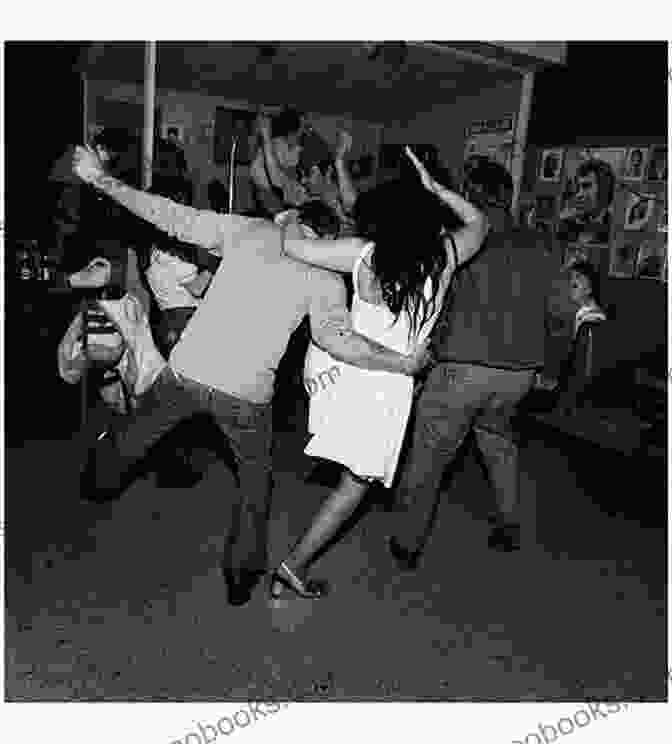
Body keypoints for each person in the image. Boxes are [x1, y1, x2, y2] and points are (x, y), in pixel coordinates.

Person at [72, 144, 433, 607]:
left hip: (187, 371)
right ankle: (241, 579)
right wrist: (401, 363)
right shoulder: (325, 277)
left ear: (293, 218)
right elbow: (338, 341)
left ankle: (98, 478)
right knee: (253, 487)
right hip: (246, 396)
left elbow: (169, 215)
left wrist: (101, 178)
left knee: (137, 433)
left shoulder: (249, 229)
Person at [269, 147, 489, 599]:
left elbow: (291, 245)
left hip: (343, 376)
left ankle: (294, 563)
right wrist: (438, 189)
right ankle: (292, 567)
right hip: (389, 387)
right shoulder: (446, 255)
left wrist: (290, 215)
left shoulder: (363, 254)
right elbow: (480, 223)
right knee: (356, 486)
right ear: (430, 215)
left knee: (354, 477)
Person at [389, 156, 565, 564]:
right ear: (508, 196)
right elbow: (561, 315)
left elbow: (435, 306)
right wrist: (552, 371)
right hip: (519, 375)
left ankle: (406, 544)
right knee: (499, 442)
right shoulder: (544, 244)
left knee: (429, 457)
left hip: (461, 370)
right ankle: (509, 525)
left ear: (469, 196)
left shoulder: (459, 241)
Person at [249, 109, 308, 217]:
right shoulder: (277, 144)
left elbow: (291, 173)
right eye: (303, 125)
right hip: (264, 186)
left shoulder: (296, 148)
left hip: (277, 189)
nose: (304, 129)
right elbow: (276, 174)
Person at [557, 159, 615, 245]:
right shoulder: (564, 225)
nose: (579, 194)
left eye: (586, 186)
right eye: (578, 187)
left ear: (604, 190)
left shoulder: (615, 228)